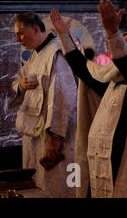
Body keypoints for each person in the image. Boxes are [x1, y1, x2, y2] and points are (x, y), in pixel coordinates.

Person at [49, 0, 127, 198]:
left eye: (123, 44)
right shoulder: (112, 78)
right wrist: (64, 36)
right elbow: (84, 70)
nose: (112, 51)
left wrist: (113, 32)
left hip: (123, 158)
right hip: (99, 160)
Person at [10, 12, 77, 197]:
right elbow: (17, 79)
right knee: (39, 186)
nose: (17, 39)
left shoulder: (57, 51)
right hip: (35, 136)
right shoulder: (34, 55)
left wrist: (55, 139)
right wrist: (21, 85)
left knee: (64, 186)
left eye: (21, 33)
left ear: (36, 29)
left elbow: (64, 96)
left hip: (58, 138)